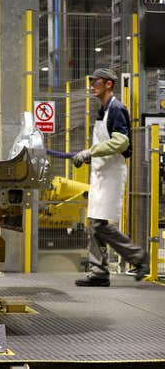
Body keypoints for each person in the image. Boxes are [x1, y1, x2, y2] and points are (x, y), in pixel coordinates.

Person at [72, 68, 149, 287]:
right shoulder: (103, 110)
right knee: (94, 223)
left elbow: (121, 142)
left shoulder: (116, 108)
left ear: (108, 84)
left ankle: (138, 257)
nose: (92, 85)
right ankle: (99, 272)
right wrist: (91, 156)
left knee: (100, 224)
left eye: (95, 81)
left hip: (111, 174)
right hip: (100, 174)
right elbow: (106, 143)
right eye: (91, 81)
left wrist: (91, 152)